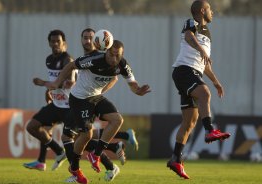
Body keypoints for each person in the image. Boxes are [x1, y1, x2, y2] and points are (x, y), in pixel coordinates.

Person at [44, 39, 150, 184]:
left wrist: (138, 90)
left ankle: (96, 155)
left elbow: (132, 83)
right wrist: (56, 83)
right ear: (106, 52)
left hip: (95, 97)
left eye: (117, 56)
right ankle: (75, 169)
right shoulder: (93, 60)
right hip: (79, 99)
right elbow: (70, 65)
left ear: (121, 55)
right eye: (111, 55)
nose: (114, 58)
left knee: (117, 120)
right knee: (85, 135)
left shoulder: (122, 65)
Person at [167, 0, 231, 179]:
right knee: (205, 93)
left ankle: (175, 159)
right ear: (202, 11)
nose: (213, 12)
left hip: (193, 72)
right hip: (184, 71)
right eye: (210, 9)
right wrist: (200, 48)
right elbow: (188, 36)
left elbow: (205, 65)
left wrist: (216, 82)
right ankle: (210, 130)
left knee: (190, 121)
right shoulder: (191, 23)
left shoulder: (207, 34)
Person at [24, 29, 74, 171]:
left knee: (86, 138)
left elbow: (67, 82)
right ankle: (52, 155)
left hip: (69, 106)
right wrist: (49, 91)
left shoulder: (67, 59)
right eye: (52, 41)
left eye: (58, 41)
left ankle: (112, 156)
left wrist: (42, 83)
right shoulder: (49, 60)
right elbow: (54, 82)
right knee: (33, 127)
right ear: (49, 43)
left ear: (63, 43)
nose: (55, 44)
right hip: (56, 104)